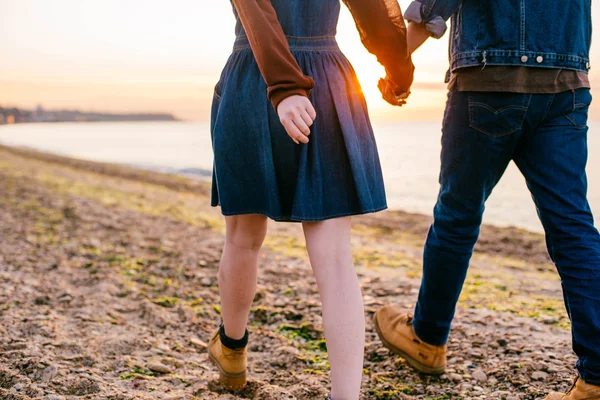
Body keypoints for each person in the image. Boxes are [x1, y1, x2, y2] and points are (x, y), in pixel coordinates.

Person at [373, 1, 600, 399]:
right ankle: (596, 377)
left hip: (486, 81)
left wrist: (398, 64)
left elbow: (434, 7)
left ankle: (427, 340)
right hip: (564, 83)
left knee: (457, 218)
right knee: (573, 228)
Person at [207, 0, 413, 398]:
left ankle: (232, 350)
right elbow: (375, 11)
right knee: (335, 259)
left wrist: (284, 87)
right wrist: (398, 70)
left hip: (254, 77)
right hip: (325, 81)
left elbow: (255, 11)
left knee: (243, 238)